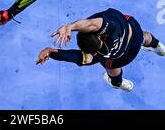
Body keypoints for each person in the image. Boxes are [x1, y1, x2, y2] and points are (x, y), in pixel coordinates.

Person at [36, 7, 165, 92]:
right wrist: (70, 26)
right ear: (101, 36)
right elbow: (91, 24)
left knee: (110, 66)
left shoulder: (96, 55)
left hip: (122, 58)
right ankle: (157, 46)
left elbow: (76, 57)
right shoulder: (111, 28)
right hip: (134, 37)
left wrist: (51, 53)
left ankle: (117, 83)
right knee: (144, 36)